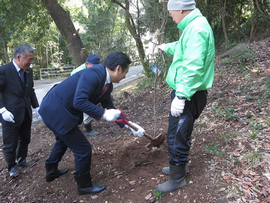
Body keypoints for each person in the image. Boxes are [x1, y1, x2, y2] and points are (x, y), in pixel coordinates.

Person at [38, 52, 145, 195]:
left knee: (63, 141)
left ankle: (51, 171)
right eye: (125, 72)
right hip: (55, 110)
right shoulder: (93, 74)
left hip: (58, 110)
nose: (125, 76)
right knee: (83, 149)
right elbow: (79, 101)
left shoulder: (107, 84)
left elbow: (110, 107)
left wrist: (129, 124)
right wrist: (102, 113)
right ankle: (84, 185)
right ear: (118, 68)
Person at [156, 0, 215, 193]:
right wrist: (166, 47)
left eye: (171, 12)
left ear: (180, 8)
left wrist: (180, 96)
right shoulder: (194, 26)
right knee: (181, 132)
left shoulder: (196, 29)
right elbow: (184, 48)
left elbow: (193, 65)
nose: (171, 16)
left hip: (188, 92)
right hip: (189, 91)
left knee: (176, 135)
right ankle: (181, 166)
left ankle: (177, 177)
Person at [0, 45, 40, 178]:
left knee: (25, 139)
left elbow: (31, 90)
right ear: (18, 57)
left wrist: (36, 107)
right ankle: (12, 166)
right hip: (9, 114)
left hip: (26, 112)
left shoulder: (28, 71)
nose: (31, 62)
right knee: (10, 143)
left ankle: (22, 160)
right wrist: (2, 110)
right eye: (29, 59)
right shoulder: (4, 70)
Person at [70, 54, 101, 136]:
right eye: (93, 66)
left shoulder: (92, 70)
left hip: (86, 92)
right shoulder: (77, 72)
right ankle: (85, 129)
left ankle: (88, 128)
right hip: (76, 92)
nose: (96, 68)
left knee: (88, 109)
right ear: (87, 64)